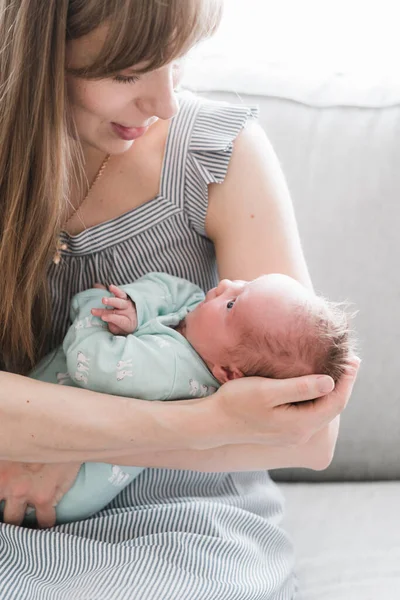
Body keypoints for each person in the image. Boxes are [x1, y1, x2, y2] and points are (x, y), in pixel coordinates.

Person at [0, 1, 360, 598]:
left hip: (186, 513)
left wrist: (75, 435)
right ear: (38, 56)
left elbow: (308, 433)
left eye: (175, 60)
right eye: (125, 74)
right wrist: (204, 422)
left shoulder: (217, 154)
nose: (163, 102)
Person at [21, 271, 352, 526]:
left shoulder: (173, 372)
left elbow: (91, 361)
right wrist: (137, 305)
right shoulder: (201, 330)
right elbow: (177, 292)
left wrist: (95, 304)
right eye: (243, 283)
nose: (226, 284)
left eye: (232, 303)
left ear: (229, 374)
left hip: (45, 487)